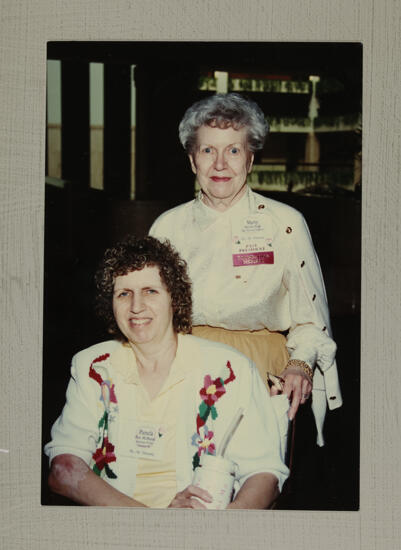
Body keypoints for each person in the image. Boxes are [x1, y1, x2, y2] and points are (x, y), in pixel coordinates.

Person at [149, 93, 342, 445]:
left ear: (251, 159)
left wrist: (299, 365)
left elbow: (312, 319)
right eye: (208, 151)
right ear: (192, 160)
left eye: (233, 151)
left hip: (262, 373)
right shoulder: (166, 228)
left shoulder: (286, 224)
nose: (220, 164)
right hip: (183, 371)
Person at [44, 236, 288, 509]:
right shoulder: (93, 367)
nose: (136, 307)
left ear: (174, 298)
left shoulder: (230, 370)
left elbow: (264, 474)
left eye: (150, 291)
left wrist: (224, 527)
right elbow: (63, 470)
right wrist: (152, 524)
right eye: (123, 293)